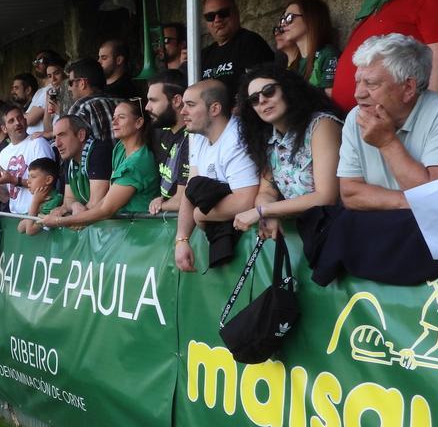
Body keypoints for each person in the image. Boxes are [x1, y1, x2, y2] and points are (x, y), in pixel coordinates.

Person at [337, 34, 438, 210]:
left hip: (430, 229)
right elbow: (350, 193)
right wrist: (407, 203)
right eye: (357, 82)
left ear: (408, 88)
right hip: (380, 224)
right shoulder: (356, 116)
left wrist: (387, 143)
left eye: (371, 84)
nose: (358, 94)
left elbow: (437, 196)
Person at [231, 64, 344, 238]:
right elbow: (266, 192)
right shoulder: (267, 140)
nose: (262, 100)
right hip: (311, 235)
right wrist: (268, 214)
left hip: (339, 230)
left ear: (288, 89)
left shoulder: (321, 125)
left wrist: (263, 211)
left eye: (268, 91)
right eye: (254, 99)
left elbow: (326, 197)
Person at [174, 80, 260, 272]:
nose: (182, 112)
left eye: (190, 105)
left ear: (214, 109)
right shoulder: (197, 136)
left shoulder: (237, 138)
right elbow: (191, 190)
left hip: (254, 248)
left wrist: (199, 214)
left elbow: (245, 201)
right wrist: (181, 239)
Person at [43, 100, 160, 229]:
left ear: (138, 123)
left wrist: (61, 221)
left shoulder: (138, 162)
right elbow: (106, 199)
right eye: (114, 117)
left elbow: (106, 209)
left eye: (121, 117)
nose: (114, 122)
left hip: (141, 231)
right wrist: (77, 216)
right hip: (125, 231)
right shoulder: (120, 148)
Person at [0, 103, 55, 214]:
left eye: (20, 118)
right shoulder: (4, 153)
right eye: (11, 121)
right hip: (15, 215)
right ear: (4, 128)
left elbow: (45, 185)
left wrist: (13, 180)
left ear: (25, 121)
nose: (17, 123)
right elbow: (5, 197)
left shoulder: (38, 143)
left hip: (39, 214)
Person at [199, 0, 274, 97]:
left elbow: (258, 88)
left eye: (223, 13)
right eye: (210, 16)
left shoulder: (250, 42)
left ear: (236, 12)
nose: (217, 20)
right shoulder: (204, 55)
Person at [145, 70, 190, 214]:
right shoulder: (160, 131)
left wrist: (160, 205)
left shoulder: (192, 139)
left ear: (177, 101)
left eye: (153, 100)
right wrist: (161, 199)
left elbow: (182, 200)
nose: (147, 107)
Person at [274, 0, 339, 92]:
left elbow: (330, 102)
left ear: (310, 18)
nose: (282, 25)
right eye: (282, 20)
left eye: (289, 18)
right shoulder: (295, 63)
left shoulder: (327, 54)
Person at [53, 114, 112, 215]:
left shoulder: (99, 151)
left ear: (81, 135)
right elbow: (68, 200)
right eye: (55, 137)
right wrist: (74, 205)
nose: (57, 143)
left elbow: (96, 203)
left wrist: (71, 216)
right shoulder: (69, 156)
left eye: (62, 135)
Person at [64, 58, 117, 141]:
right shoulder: (120, 103)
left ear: (82, 83)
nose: (69, 88)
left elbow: (70, 145)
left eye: (70, 83)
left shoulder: (81, 107)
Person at [18, 158, 65, 236]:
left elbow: (29, 230)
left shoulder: (55, 200)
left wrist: (35, 203)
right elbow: (20, 228)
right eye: (28, 176)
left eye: (33, 177)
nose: (28, 181)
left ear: (48, 180)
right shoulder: (41, 200)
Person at [27, 52, 65, 137]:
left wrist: (48, 134)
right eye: (50, 76)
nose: (53, 79)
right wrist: (48, 103)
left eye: (57, 73)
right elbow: (47, 129)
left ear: (64, 72)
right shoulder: (52, 93)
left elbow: (71, 123)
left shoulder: (72, 92)